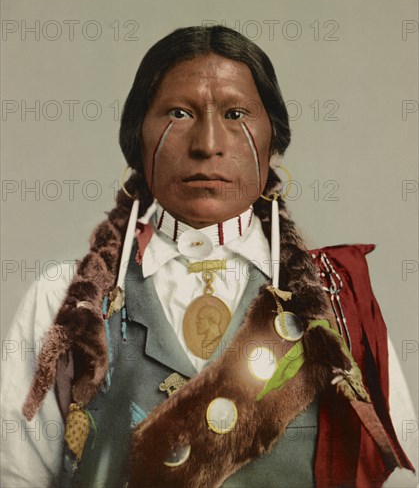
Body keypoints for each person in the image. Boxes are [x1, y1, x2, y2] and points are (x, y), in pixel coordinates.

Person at [1, 26, 417, 487]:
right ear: (136, 138)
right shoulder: (67, 305)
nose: (208, 144)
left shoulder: (338, 304)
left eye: (236, 114)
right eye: (178, 114)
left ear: (271, 141)